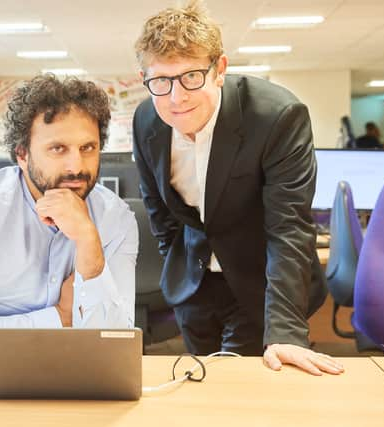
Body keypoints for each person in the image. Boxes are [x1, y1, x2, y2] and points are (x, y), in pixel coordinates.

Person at [132, 1, 344, 376]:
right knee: (203, 386)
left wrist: (285, 332)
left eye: (191, 77)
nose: (176, 97)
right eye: (161, 81)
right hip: (195, 287)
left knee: (251, 389)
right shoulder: (147, 119)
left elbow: (288, 229)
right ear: (145, 78)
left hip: (264, 283)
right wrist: (176, 264)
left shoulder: (277, 116)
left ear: (220, 70)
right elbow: (160, 212)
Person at [0, 75, 139, 368]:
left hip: (68, 371)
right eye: (58, 149)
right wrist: (62, 318)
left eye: (88, 148)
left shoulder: (115, 218)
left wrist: (88, 240)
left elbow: (116, 346)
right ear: (22, 154)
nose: (77, 166)